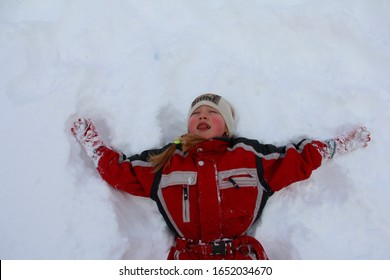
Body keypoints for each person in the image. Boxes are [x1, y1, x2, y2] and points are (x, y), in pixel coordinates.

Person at [71, 93, 370, 260]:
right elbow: (120, 172)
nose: (202, 116)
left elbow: (299, 160)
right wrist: (93, 144)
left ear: (225, 126)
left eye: (211, 113)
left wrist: (339, 145)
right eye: (196, 112)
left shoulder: (249, 158)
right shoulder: (167, 163)